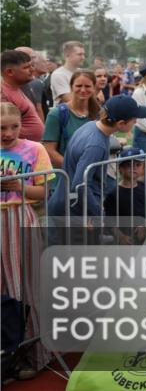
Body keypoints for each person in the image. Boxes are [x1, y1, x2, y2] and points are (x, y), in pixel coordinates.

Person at [0, 102, 54, 375]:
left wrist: (20, 186)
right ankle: (7, 356)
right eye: (1, 128)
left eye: (14, 127)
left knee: (27, 287)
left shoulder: (35, 149)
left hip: (20, 219)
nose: (8, 133)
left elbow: (44, 192)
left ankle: (31, 353)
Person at [46, 95, 146, 221]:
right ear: (121, 123)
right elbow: (81, 185)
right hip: (75, 213)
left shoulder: (90, 125)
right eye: (134, 120)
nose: (135, 123)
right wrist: (97, 214)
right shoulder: (96, 145)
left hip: (68, 205)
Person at [42, 70, 101, 169]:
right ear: (71, 87)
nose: (83, 90)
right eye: (78, 86)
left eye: (87, 86)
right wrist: (76, 169)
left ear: (94, 88)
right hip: (65, 177)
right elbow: (49, 150)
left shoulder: (99, 113)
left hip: (92, 177)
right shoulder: (57, 114)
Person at [104, 147, 146, 242]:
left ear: (143, 167)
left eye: (137, 165)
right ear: (120, 168)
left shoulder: (145, 188)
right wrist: (121, 237)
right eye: (128, 165)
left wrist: (145, 225)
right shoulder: (113, 194)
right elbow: (109, 220)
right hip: (125, 240)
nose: (133, 168)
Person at [1, 50, 44, 142]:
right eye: (26, 67)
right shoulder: (3, 94)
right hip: (17, 154)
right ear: (10, 72)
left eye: (31, 66)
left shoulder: (16, 88)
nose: (32, 70)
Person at [49, 40, 86, 105]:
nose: (83, 57)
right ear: (67, 56)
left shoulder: (83, 72)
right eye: (79, 54)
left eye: (83, 54)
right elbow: (70, 100)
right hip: (65, 114)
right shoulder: (58, 75)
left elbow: (100, 97)